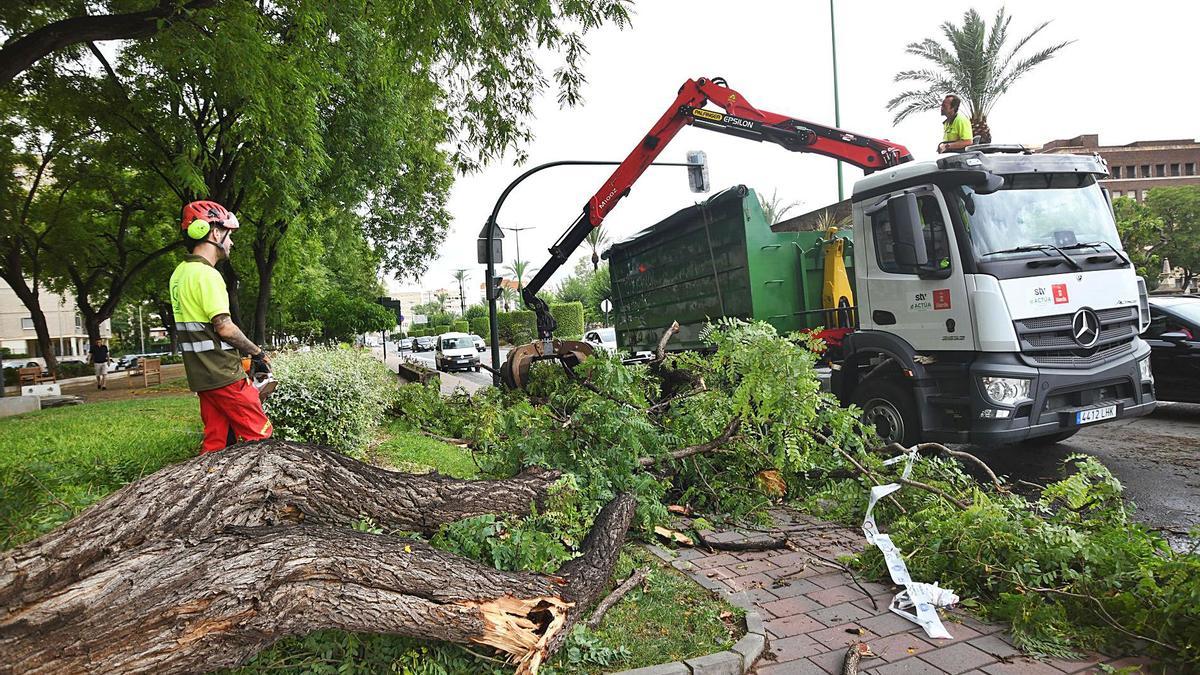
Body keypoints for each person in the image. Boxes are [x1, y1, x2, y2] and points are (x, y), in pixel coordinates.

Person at [169, 200, 273, 453]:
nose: (231, 243)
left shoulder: (180, 274)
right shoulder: (208, 275)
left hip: (201, 375)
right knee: (259, 435)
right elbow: (224, 327)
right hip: (223, 372)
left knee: (216, 443)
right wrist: (257, 353)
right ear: (215, 232)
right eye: (229, 235)